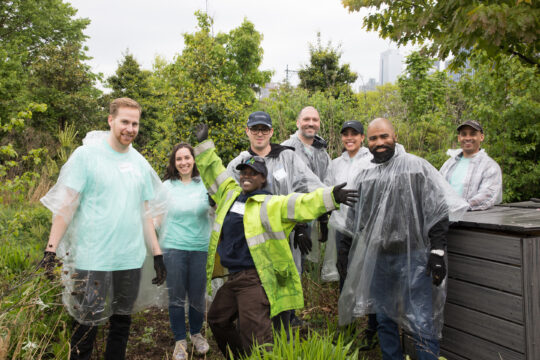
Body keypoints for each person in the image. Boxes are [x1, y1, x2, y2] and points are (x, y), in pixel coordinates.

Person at [194, 123, 358, 359]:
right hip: (234, 276)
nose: (247, 176)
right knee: (218, 319)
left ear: (263, 179)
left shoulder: (272, 203)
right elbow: (214, 171)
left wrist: (331, 196)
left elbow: (303, 203)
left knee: (257, 338)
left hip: (256, 278)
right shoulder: (230, 194)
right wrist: (204, 147)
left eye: (253, 174)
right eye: (244, 173)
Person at [39, 98, 167, 360]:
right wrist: (50, 251)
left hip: (129, 258)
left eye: (135, 123)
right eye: (125, 122)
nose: (130, 128)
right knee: (86, 325)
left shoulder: (139, 163)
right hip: (93, 258)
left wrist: (157, 254)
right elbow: (67, 207)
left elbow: (146, 213)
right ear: (111, 120)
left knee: (121, 324)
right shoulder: (86, 156)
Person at [337, 118, 468, 360]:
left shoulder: (416, 167)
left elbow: (437, 211)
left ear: (395, 136)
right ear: (367, 141)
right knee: (384, 318)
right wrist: (344, 254)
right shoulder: (364, 174)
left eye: (384, 136)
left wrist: (437, 252)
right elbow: (353, 219)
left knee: (420, 319)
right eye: (374, 138)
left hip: (414, 258)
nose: (380, 142)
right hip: (378, 258)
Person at [323, 120, 377, 351]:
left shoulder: (372, 160)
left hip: (368, 229)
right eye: (345, 134)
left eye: (354, 134)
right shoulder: (335, 163)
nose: (349, 138)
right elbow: (326, 190)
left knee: (372, 279)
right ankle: (346, 326)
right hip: (342, 228)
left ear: (362, 137)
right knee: (345, 279)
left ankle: (372, 330)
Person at [158, 143, 212, 360]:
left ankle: (196, 334)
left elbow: (216, 210)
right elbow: (156, 216)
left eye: (187, 158)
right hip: (173, 248)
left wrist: (215, 204)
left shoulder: (204, 184)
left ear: (194, 159)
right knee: (176, 297)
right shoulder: (166, 187)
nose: (183, 162)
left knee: (198, 296)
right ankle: (180, 339)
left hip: (200, 247)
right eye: (179, 159)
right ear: (174, 163)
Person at [440, 120, 503, 210]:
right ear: (459, 138)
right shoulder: (449, 164)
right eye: (464, 134)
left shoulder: (490, 166)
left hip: (473, 221)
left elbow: (487, 196)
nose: (468, 138)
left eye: (472, 134)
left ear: (481, 137)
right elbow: (437, 188)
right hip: (445, 218)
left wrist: (459, 207)